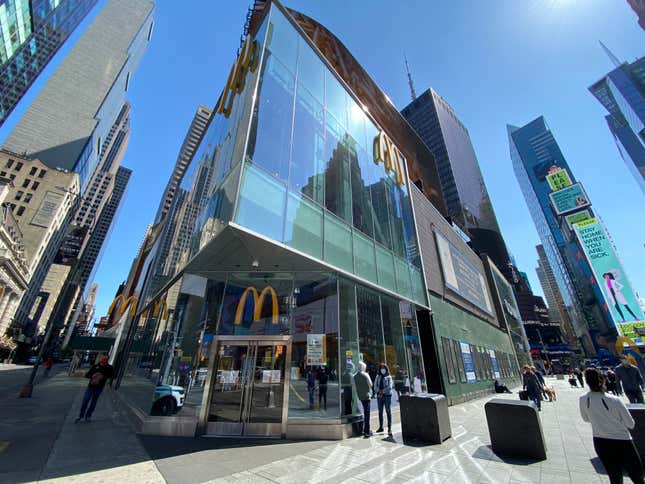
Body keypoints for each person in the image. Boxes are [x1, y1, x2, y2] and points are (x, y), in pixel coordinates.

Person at [579, 368, 644, 484]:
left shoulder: (583, 399)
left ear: (587, 381)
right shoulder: (614, 400)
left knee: (614, 477)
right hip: (623, 441)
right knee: (636, 475)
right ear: (602, 380)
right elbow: (631, 424)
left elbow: (585, 419)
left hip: (600, 441)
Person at [76, 356, 114, 422]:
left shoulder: (109, 368)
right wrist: (92, 376)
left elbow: (113, 376)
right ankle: (81, 415)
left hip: (99, 387)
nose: (104, 359)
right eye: (103, 358)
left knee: (93, 402)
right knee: (85, 400)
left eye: (105, 358)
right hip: (91, 386)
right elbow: (87, 375)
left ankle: (88, 416)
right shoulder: (95, 366)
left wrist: (103, 377)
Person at [373, 363, 394, 436]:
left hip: (387, 396)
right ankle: (381, 427)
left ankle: (389, 428)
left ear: (386, 369)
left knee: (388, 411)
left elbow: (390, 387)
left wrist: (382, 391)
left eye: (383, 368)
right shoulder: (377, 377)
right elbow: (375, 385)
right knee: (380, 412)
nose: (382, 369)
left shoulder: (389, 377)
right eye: (381, 368)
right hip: (379, 396)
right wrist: (378, 391)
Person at [354, 361, 373, 437]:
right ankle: (367, 431)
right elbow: (371, 384)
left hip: (360, 396)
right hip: (367, 396)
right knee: (367, 414)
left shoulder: (354, 376)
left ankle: (365, 429)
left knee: (364, 412)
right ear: (363, 367)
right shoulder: (366, 375)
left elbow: (354, 387)